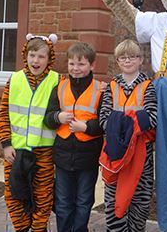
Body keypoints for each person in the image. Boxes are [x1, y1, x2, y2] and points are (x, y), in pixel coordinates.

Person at [0, 34, 60, 232]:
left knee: (43, 198)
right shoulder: (14, 80)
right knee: (14, 195)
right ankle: (22, 229)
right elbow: (3, 115)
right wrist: (6, 144)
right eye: (33, 55)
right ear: (26, 55)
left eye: (41, 56)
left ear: (49, 58)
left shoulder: (58, 81)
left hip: (45, 152)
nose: (36, 61)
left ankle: (39, 229)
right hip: (16, 152)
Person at [43, 42, 104, 232]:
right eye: (71, 64)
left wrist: (85, 127)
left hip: (88, 157)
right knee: (62, 202)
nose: (75, 69)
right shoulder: (60, 88)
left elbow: (104, 122)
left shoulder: (101, 90)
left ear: (92, 66)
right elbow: (48, 118)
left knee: (84, 201)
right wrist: (57, 117)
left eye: (81, 64)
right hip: (62, 156)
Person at [98, 39, 157, 232]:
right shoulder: (111, 87)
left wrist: (120, 122)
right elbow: (104, 120)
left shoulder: (149, 86)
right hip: (114, 153)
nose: (127, 61)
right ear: (117, 61)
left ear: (140, 60)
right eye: (123, 58)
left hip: (141, 156)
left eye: (132, 57)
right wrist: (132, 122)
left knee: (139, 204)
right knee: (114, 202)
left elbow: (152, 118)